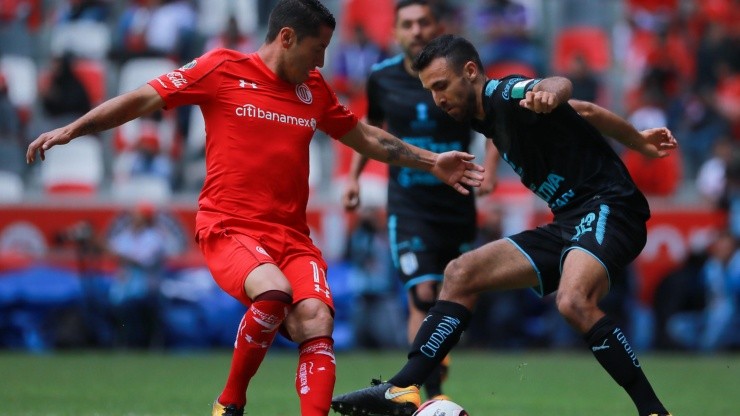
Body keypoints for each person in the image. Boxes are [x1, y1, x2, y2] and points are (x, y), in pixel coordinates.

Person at [25, 3, 484, 415]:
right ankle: (230, 403)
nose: (322, 61)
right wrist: (72, 130)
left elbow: (364, 137)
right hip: (230, 228)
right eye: (316, 48)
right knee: (273, 291)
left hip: (292, 236)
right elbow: (140, 99)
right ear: (286, 38)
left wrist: (431, 161)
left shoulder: (314, 89)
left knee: (317, 319)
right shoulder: (220, 69)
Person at [331, 34, 677, 416]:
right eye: (430, 90)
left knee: (573, 300)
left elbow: (560, 87)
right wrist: (638, 141)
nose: (438, 99)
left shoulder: (505, 94)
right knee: (461, 273)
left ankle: (654, 411)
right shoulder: (486, 117)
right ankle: (402, 388)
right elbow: (586, 112)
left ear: (471, 71)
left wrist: (549, 91)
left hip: (612, 207)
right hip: (570, 221)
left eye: (442, 86)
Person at [341, 0, 498, 401]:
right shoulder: (381, 79)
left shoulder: (464, 75)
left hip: (457, 201)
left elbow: (496, 122)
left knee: (455, 296)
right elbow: (371, 133)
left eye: (423, 22)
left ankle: (430, 379)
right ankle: (425, 391)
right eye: (407, 24)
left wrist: (492, 174)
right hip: (409, 203)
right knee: (421, 294)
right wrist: (355, 178)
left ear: (437, 27)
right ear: (395, 33)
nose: (416, 31)